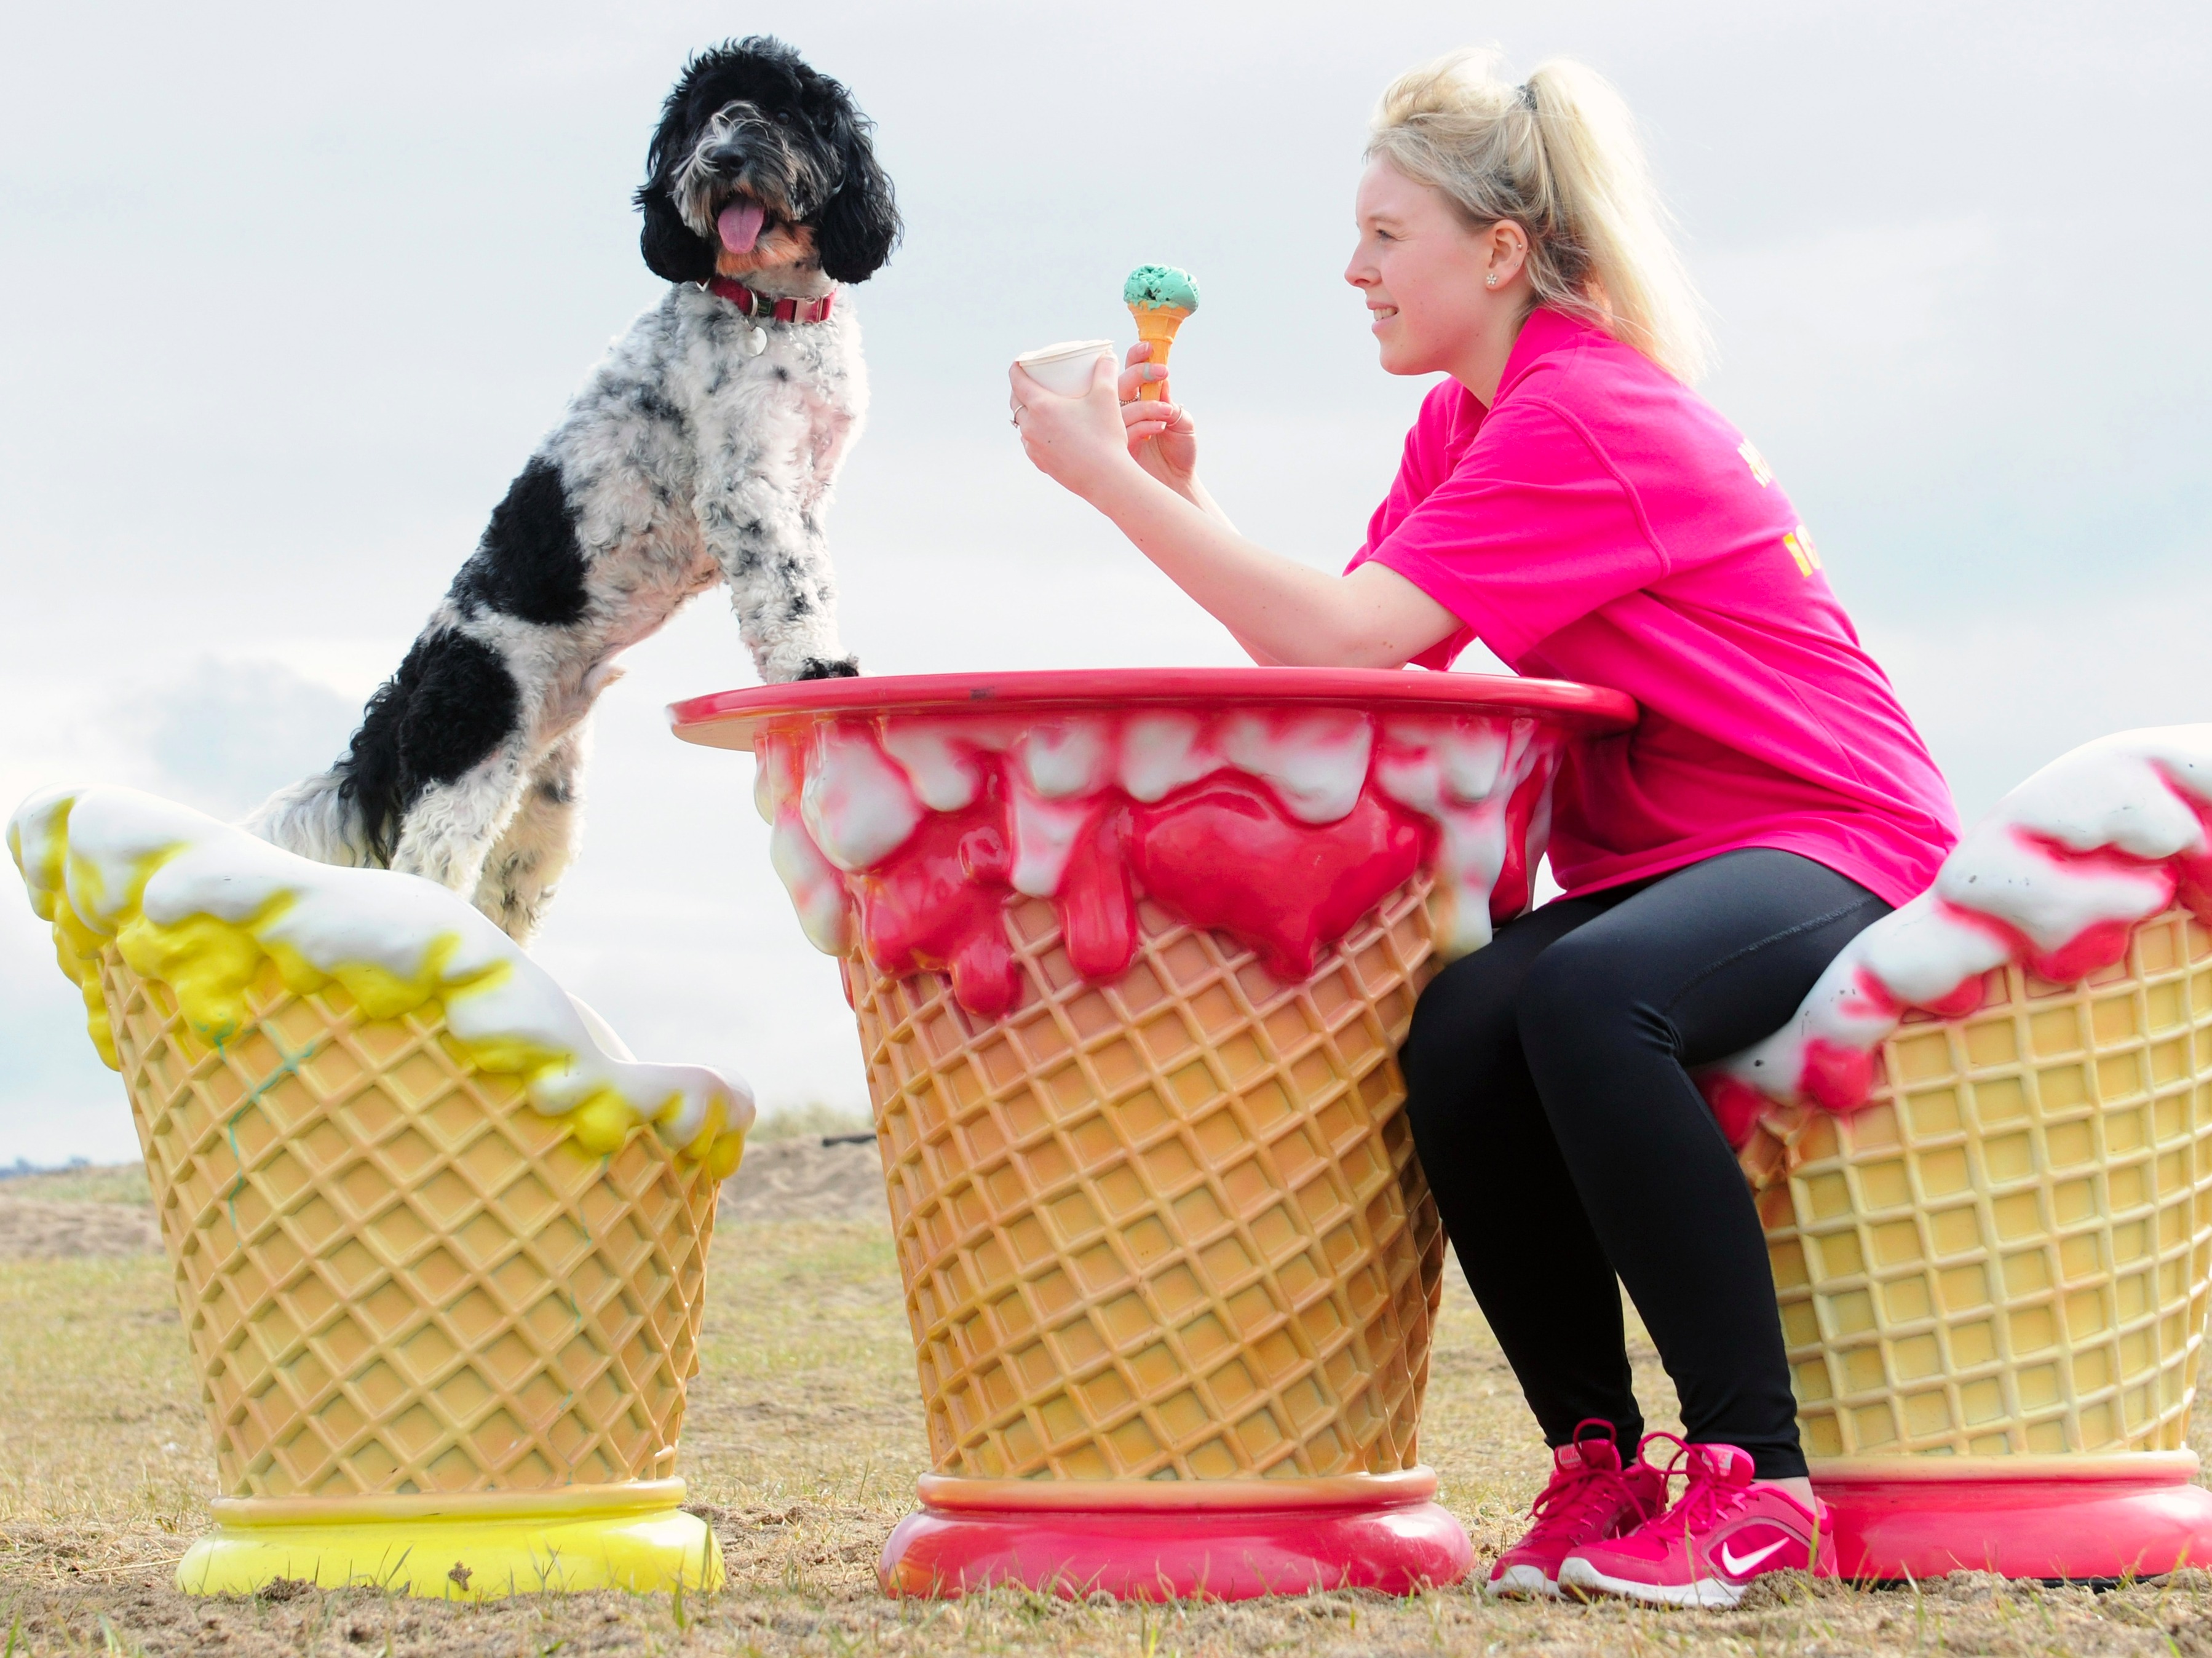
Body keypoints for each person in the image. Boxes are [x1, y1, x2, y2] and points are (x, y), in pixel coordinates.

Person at [1007, 49, 1959, 1607]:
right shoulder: (1468, 420)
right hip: (1679, 862)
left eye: (1387, 235)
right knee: (1461, 1023)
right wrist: (1192, 503)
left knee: (1591, 995)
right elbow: (1348, 648)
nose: (1352, 268)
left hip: (1833, 838)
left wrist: (1113, 486)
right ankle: (1598, 1465)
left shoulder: (1580, 412)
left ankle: (1754, 1482)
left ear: (1498, 252)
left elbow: (1334, 643)